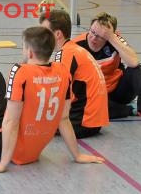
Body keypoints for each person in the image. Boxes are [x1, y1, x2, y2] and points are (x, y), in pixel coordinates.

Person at [0, 27, 105, 173]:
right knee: (9, 96)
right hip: (34, 151)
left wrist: (3, 164)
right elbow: (64, 119)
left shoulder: (20, 71)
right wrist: (77, 155)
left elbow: (10, 122)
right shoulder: (63, 71)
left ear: (29, 52)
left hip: (3, 147)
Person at [74, 12, 141, 133]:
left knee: (136, 69)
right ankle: (131, 110)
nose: (93, 38)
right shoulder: (77, 45)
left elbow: (134, 61)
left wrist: (112, 38)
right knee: (86, 108)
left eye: (100, 36)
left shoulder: (115, 40)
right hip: (95, 95)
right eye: (92, 32)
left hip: (118, 91)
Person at [39, 10, 109, 138]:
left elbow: (60, 93)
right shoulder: (74, 49)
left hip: (83, 121)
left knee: (31, 121)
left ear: (58, 34)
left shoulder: (65, 54)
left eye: (44, 32)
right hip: (93, 120)